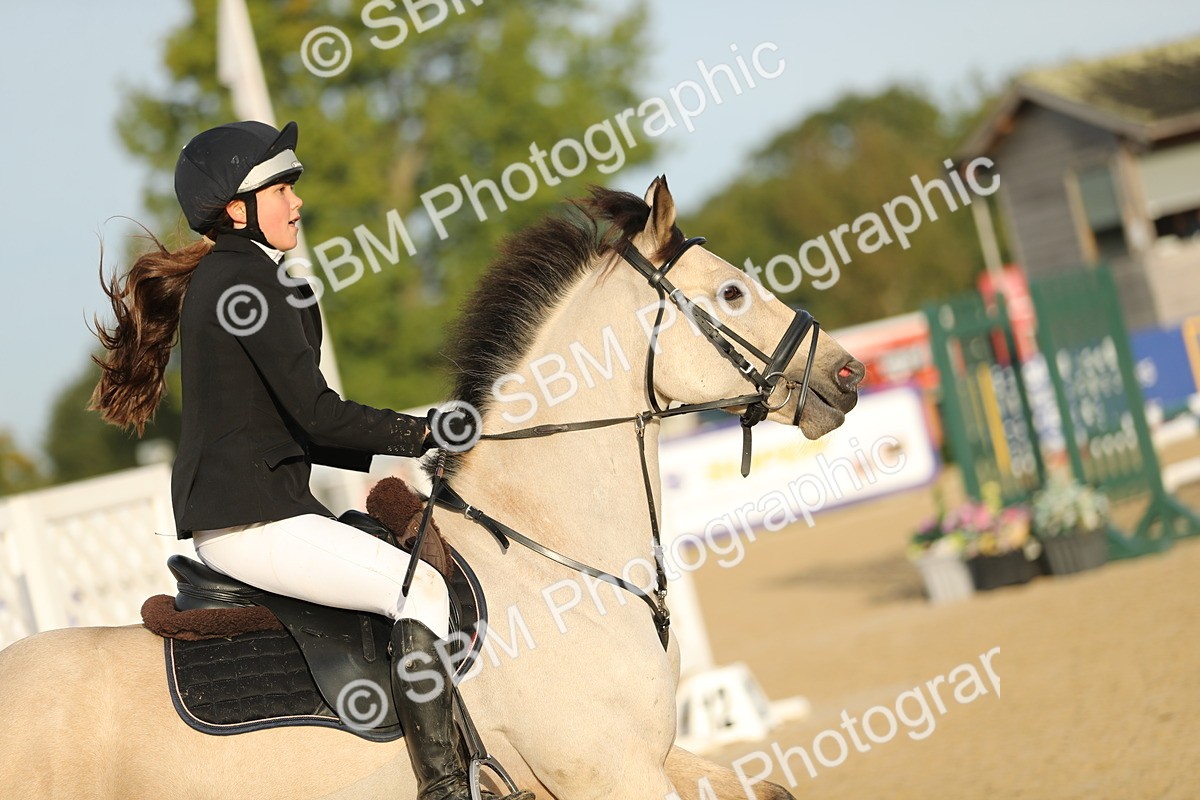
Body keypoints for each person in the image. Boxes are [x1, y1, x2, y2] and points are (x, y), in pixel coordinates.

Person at [90, 120, 532, 800]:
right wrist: (422, 432)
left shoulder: (246, 278)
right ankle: (446, 786)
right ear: (238, 209)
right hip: (255, 522)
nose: (297, 202)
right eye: (280, 190)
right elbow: (320, 414)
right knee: (421, 589)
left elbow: (311, 433)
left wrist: (417, 440)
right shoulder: (242, 282)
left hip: (262, 514)